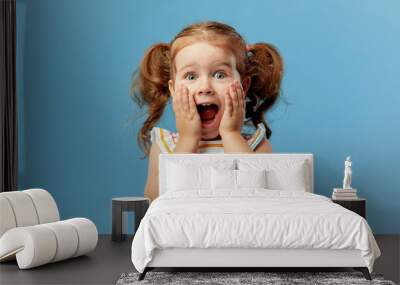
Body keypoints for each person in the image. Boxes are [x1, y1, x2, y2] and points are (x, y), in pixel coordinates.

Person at [130, 21, 284, 202]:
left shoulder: (257, 145)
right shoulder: (164, 147)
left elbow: (259, 198)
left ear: (243, 86)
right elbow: (156, 201)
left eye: (219, 75)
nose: (205, 87)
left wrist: (231, 134)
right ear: (173, 89)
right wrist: (188, 139)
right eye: (191, 76)